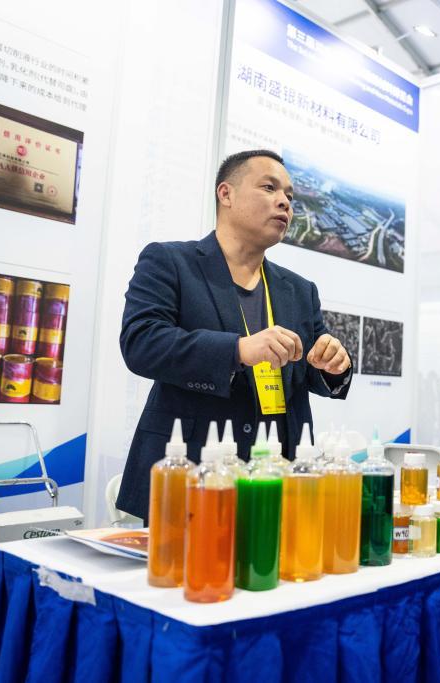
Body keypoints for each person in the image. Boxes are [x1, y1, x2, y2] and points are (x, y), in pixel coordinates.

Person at [116, 150, 353, 521]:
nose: (284, 202)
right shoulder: (170, 262)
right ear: (225, 194)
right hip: (192, 474)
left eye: (290, 196)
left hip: (278, 480)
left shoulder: (299, 290)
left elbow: (312, 369)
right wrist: (238, 350)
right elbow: (142, 342)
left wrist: (333, 364)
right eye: (269, 188)